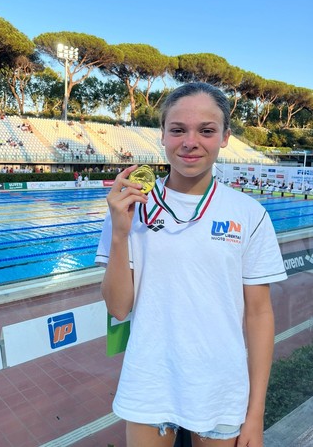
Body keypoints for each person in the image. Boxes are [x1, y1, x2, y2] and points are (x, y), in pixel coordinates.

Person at [95, 82, 287, 447]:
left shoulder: (249, 214)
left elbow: (260, 315)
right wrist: (120, 233)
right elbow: (118, 308)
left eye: (207, 130)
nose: (190, 141)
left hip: (221, 383)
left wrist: (255, 413)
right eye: (178, 129)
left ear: (226, 137)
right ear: (163, 136)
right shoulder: (128, 207)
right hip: (150, 380)